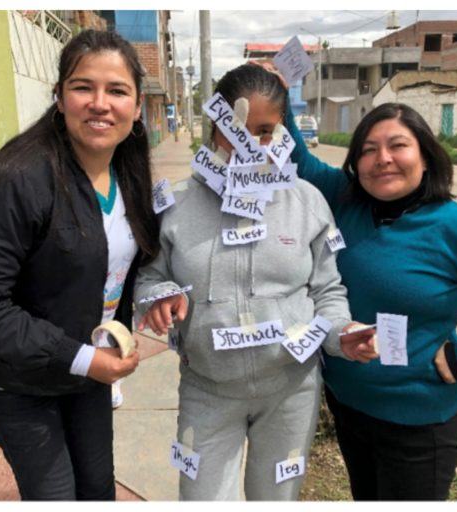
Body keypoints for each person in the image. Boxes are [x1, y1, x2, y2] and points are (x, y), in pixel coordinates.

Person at [135, 64, 376, 501]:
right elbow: (151, 275)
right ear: (214, 125)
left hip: (291, 391)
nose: (250, 146)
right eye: (236, 131)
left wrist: (343, 335)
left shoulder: (307, 201)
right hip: (207, 391)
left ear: (283, 129)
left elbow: (327, 290)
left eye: (264, 130)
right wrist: (156, 296)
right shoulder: (174, 204)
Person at [0, 29, 156, 500]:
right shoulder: (12, 180)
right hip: (19, 379)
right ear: (59, 98)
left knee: (96, 489)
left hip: (88, 368)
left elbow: (131, 263)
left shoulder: (128, 174)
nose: (100, 103)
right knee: (55, 496)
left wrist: (161, 293)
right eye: (82, 87)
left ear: (136, 108)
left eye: (117, 91)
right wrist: (82, 358)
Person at [283, 102, 457, 500]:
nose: (382, 159)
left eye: (397, 145)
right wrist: (279, 95)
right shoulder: (346, 202)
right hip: (350, 407)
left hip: (418, 423)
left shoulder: (455, 226)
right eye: (368, 149)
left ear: (425, 155)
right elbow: (299, 159)